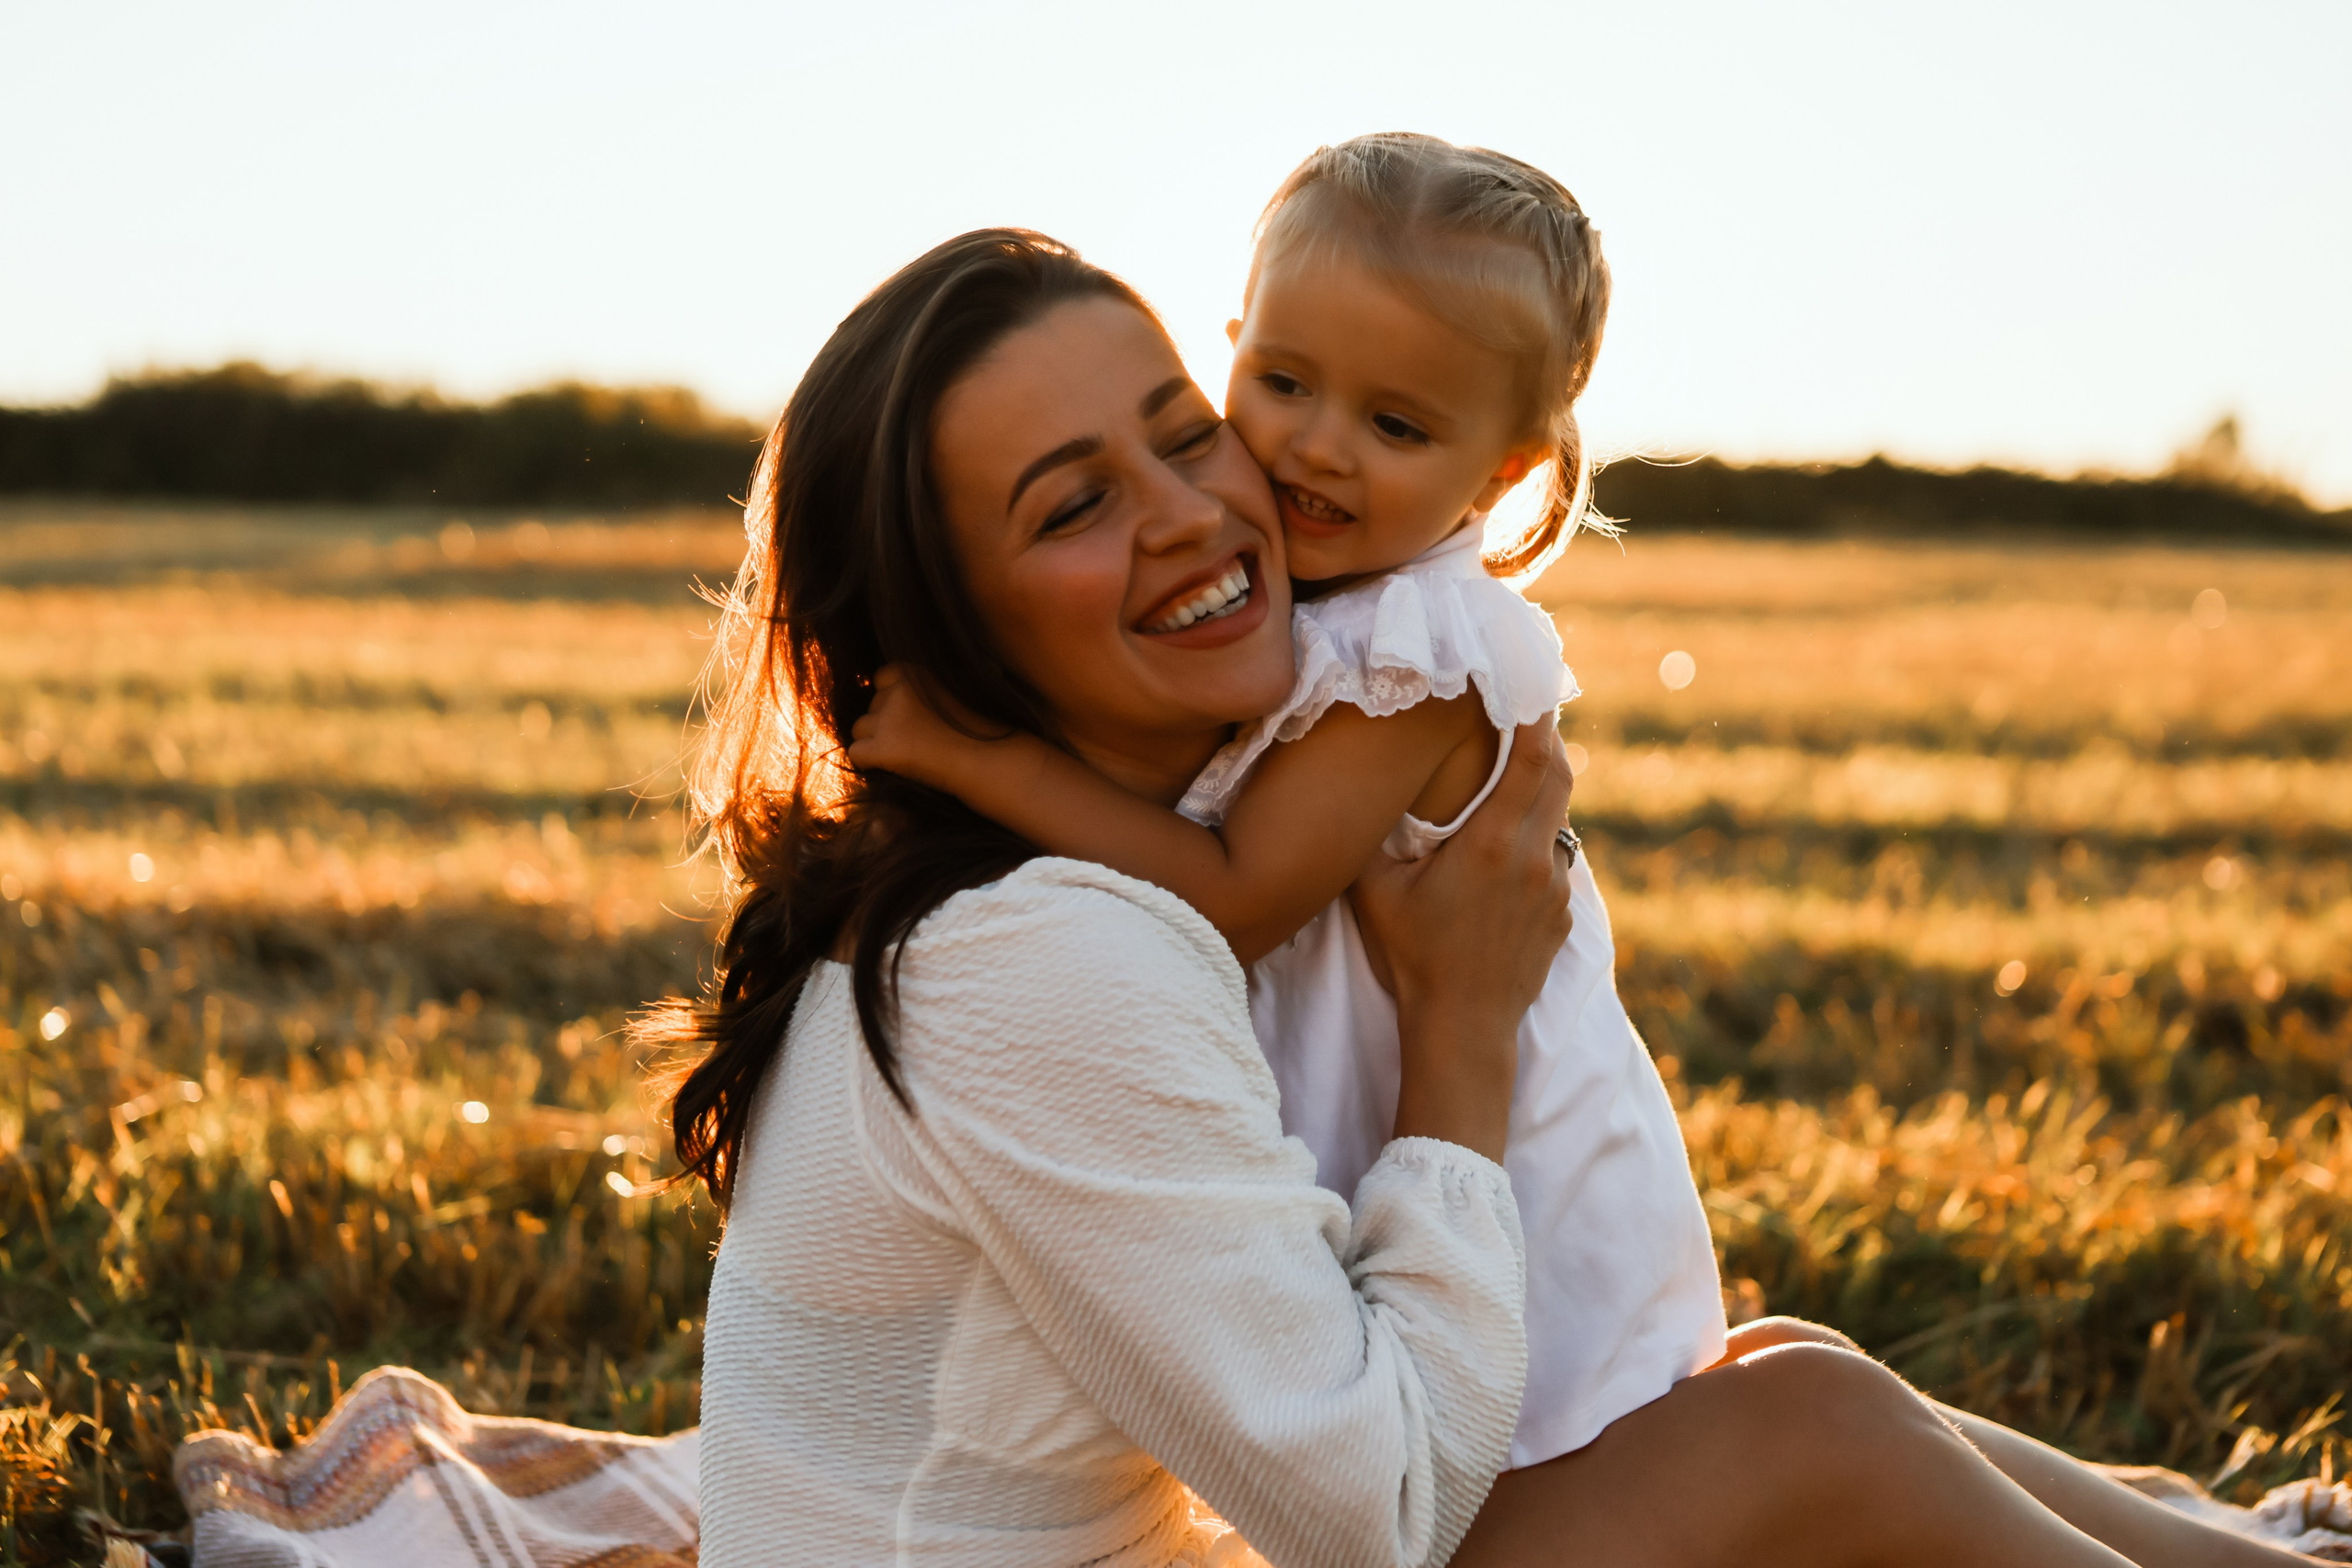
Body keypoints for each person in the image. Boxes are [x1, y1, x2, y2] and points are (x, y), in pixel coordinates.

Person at [662, 226, 2319, 1567]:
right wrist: (1463, 1026)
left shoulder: (1010, 888)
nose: (1195, 512)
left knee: (1787, 1373)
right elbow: (1380, 1520)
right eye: (1076, 504)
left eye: (1184, 432)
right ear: (945, 622)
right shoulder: (1039, 955)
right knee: (1799, 1436)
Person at [848, 131, 1725, 1469]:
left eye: (1395, 424)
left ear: (1503, 472)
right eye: (1281, 382)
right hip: (1406, 1163)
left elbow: (1237, 898)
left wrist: (985, 760)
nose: (1316, 448)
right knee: (1805, 1403)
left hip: (1523, 1224)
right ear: (1232, 341)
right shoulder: (1323, 620)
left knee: (1711, 1439)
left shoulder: (1417, 659)